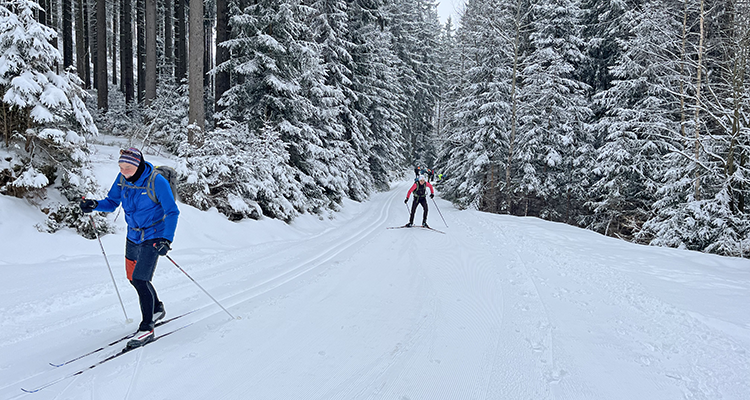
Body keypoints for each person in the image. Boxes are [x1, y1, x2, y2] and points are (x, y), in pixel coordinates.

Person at [80, 148, 180, 349]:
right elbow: (111, 203)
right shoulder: (122, 178)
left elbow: (172, 211)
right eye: (121, 167)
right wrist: (94, 204)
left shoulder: (156, 181)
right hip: (133, 234)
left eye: (128, 167)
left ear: (138, 165)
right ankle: (157, 308)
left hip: (154, 235)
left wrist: (166, 240)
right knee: (132, 277)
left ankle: (147, 327)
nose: (124, 171)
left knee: (140, 279)